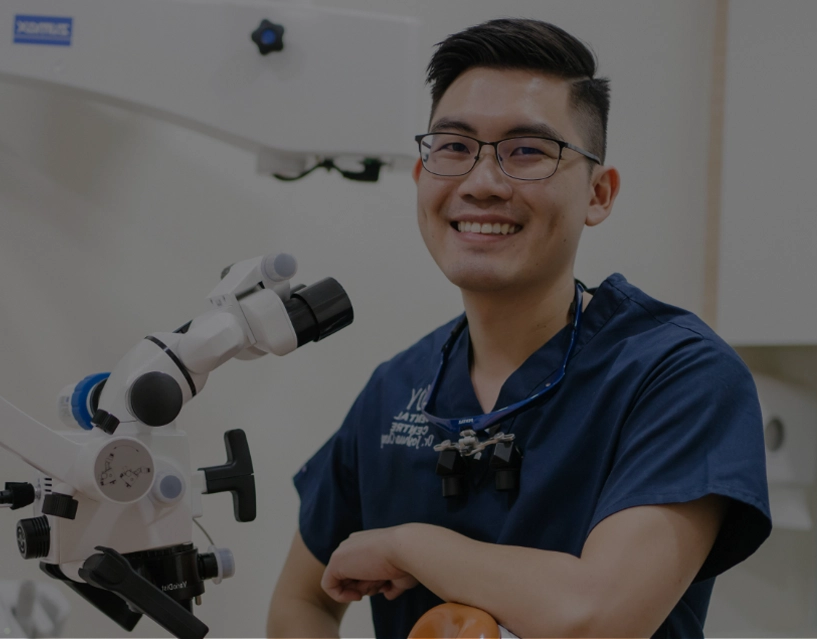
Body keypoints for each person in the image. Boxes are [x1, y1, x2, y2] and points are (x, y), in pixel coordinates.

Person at [267, 18, 771, 639]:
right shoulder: (395, 390)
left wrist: (409, 545)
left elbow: (596, 616)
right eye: (453, 147)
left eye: (527, 151)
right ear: (423, 177)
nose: (481, 183)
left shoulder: (677, 377)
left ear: (599, 194)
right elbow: (301, 604)